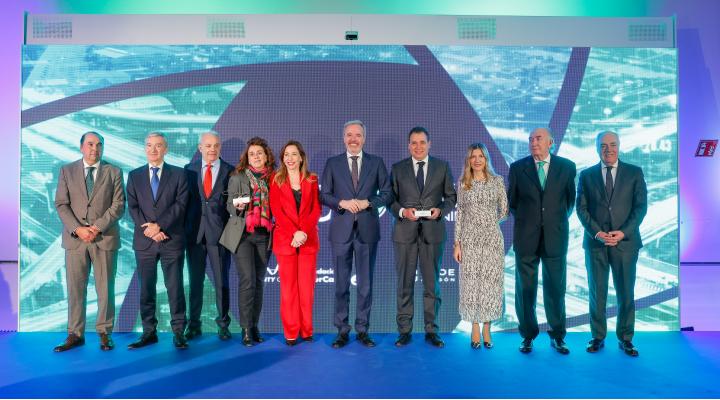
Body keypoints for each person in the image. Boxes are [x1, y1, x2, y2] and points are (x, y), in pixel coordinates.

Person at [320, 120, 393, 348]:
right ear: (344, 138)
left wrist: (368, 202)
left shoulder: (376, 162)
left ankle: (363, 330)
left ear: (364, 138)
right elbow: (324, 195)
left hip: (367, 232)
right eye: (349, 135)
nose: (353, 139)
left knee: (365, 285)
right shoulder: (332, 163)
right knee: (341, 285)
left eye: (358, 135)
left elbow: (388, 193)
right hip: (340, 232)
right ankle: (342, 331)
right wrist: (341, 203)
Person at [576, 131, 647, 357]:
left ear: (619, 146)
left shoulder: (634, 172)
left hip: (625, 243)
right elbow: (581, 209)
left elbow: (640, 207)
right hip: (596, 243)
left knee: (626, 292)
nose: (608, 150)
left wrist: (623, 232)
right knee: (597, 293)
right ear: (597, 148)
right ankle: (598, 336)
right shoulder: (586, 175)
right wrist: (597, 233)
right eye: (603, 146)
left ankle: (626, 338)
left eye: (612, 145)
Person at [53, 131, 125, 352]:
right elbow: (61, 204)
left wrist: (95, 228)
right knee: (76, 288)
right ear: (81, 147)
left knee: (106, 289)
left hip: (104, 238)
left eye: (99, 145)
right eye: (90, 144)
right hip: (76, 240)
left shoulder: (114, 171)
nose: (95, 148)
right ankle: (75, 334)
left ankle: (104, 333)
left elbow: (118, 205)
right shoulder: (67, 170)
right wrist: (78, 229)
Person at [507, 127, 576, 354]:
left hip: (555, 237)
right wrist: (531, 221)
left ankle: (558, 336)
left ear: (550, 143)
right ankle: (527, 335)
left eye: (538, 138)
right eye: (531, 139)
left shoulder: (567, 167)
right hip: (526, 238)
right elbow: (513, 203)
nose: (533, 142)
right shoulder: (518, 168)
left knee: (555, 289)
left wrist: (551, 221)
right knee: (525, 290)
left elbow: (569, 202)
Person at [389, 127, 457, 348]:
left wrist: (440, 211)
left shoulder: (442, 166)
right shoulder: (397, 168)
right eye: (414, 143)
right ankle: (404, 331)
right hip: (404, 233)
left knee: (431, 285)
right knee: (404, 284)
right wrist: (402, 211)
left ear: (429, 144)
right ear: (408, 145)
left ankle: (432, 331)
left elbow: (451, 197)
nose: (418, 147)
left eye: (422, 142)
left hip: (432, 233)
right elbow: (390, 199)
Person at [126, 132, 190, 350]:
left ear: (166, 149)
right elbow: (133, 207)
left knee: (175, 287)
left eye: (158, 145)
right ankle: (149, 332)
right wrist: (151, 231)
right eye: (149, 145)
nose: (153, 150)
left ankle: (179, 331)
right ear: (145, 148)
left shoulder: (179, 174)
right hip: (145, 242)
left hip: (171, 240)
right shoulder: (134, 176)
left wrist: (159, 226)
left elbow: (180, 206)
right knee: (146, 289)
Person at [219, 137, 276, 346]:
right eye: (252, 154)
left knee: (259, 282)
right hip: (242, 234)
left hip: (264, 234)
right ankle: (244, 328)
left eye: (259, 153)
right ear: (247, 157)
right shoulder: (238, 176)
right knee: (248, 281)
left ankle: (254, 326)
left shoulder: (275, 178)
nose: (256, 157)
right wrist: (237, 207)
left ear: (266, 156)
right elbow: (229, 205)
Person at [453, 143, 508, 349]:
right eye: (473, 156)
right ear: (468, 160)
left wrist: (488, 222)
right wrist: (457, 243)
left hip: (492, 240)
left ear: (486, 159)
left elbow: (504, 210)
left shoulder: (497, 181)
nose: (477, 160)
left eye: (481, 156)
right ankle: (474, 326)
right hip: (469, 241)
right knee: (471, 284)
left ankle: (487, 327)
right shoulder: (463, 183)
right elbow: (460, 215)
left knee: (490, 284)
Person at [269, 140, 321, 346]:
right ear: (283, 159)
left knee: (306, 289)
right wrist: (294, 233)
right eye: (286, 155)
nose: (289, 158)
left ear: (301, 158)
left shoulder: (312, 179)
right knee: (289, 289)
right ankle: (291, 332)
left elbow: (316, 209)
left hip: (307, 241)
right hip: (286, 241)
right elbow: (276, 210)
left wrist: (303, 232)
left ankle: (306, 330)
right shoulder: (276, 180)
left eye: (293, 154)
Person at [184, 131, 234, 341]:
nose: (212, 149)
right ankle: (193, 325)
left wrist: (230, 238)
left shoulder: (231, 171)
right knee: (195, 282)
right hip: (194, 235)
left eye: (216, 145)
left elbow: (236, 209)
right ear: (200, 148)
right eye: (208, 145)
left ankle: (223, 324)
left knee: (222, 282)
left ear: (220, 147)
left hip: (221, 236)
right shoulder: (189, 169)